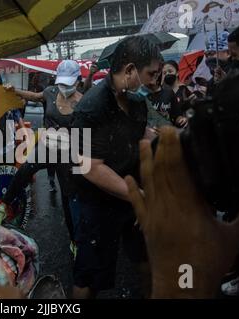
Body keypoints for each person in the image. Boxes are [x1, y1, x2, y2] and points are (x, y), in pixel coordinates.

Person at [70, 36, 163, 299]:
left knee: (146, 261)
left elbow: (137, 136)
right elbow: (90, 168)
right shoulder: (90, 108)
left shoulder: (136, 101)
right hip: (97, 203)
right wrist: (137, 196)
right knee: (89, 277)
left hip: (132, 196)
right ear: (130, 70)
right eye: (151, 74)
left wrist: (151, 138)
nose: (155, 82)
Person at [125, 126, 239, 298]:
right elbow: (84, 167)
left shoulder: (137, 108)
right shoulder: (89, 113)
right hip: (98, 202)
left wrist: (179, 281)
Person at [0, 60, 84, 244]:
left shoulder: (83, 102)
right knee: (25, 169)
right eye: (61, 82)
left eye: (68, 83)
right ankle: (3, 205)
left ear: (78, 81)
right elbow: (34, 96)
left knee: (68, 196)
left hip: (68, 152)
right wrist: (15, 90)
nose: (64, 87)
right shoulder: (50, 92)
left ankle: (74, 241)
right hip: (47, 146)